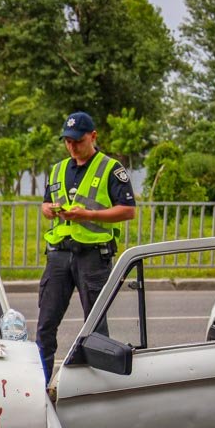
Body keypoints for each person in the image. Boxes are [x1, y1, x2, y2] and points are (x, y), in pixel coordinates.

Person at [37, 111, 137, 380]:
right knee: (46, 325)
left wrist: (89, 215)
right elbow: (47, 202)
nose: (72, 146)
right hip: (59, 255)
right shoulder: (58, 168)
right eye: (67, 141)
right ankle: (41, 383)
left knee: (95, 328)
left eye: (77, 141)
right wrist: (46, 209)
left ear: (93, 136)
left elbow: (128, 210)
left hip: (92, 257)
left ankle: (97, 386)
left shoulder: (111, 168)